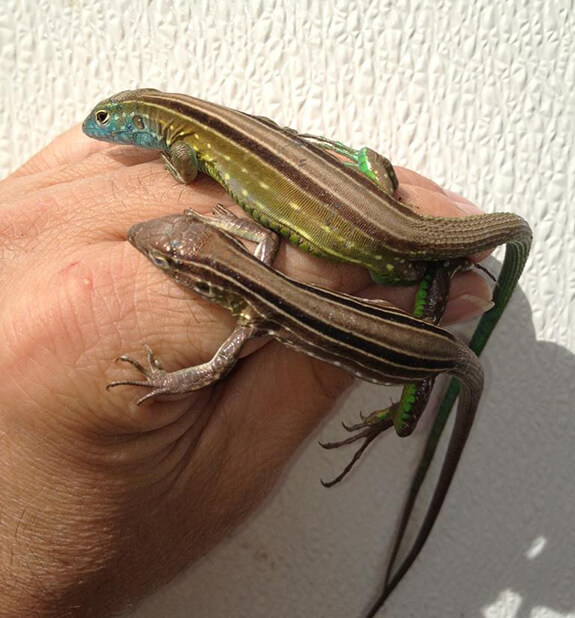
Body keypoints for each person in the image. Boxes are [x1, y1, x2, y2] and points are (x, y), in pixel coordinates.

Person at [0, 126, 492, 616]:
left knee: (407, 417)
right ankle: (441, 275)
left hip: (427, 362)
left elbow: (214, 368)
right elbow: (258, 237)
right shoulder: (256, 306)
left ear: (203, 282)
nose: (150, 249)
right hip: (415, 338)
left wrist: (163, 381)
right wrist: (219, 222)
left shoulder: (253, 317)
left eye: (167, 260)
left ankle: (399, 408)